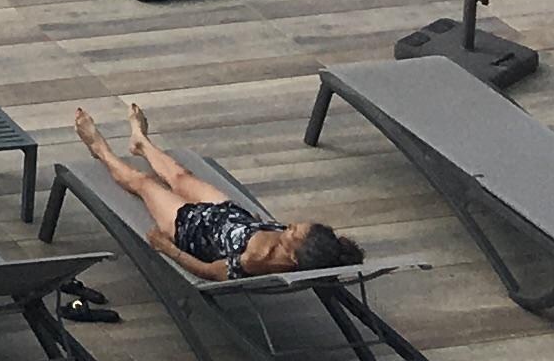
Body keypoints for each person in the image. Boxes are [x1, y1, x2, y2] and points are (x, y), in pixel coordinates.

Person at [71, 104, 364, 280]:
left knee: (146, 183)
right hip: (230, 214)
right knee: (181, 174)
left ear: (294, 257)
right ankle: (141, 142)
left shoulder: (252, 263)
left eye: (293, 232)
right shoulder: (294, 250)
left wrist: (167, 247)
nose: (289, 226)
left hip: (190, 229)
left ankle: (100, 149)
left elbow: (208, 271)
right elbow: (274, 231)